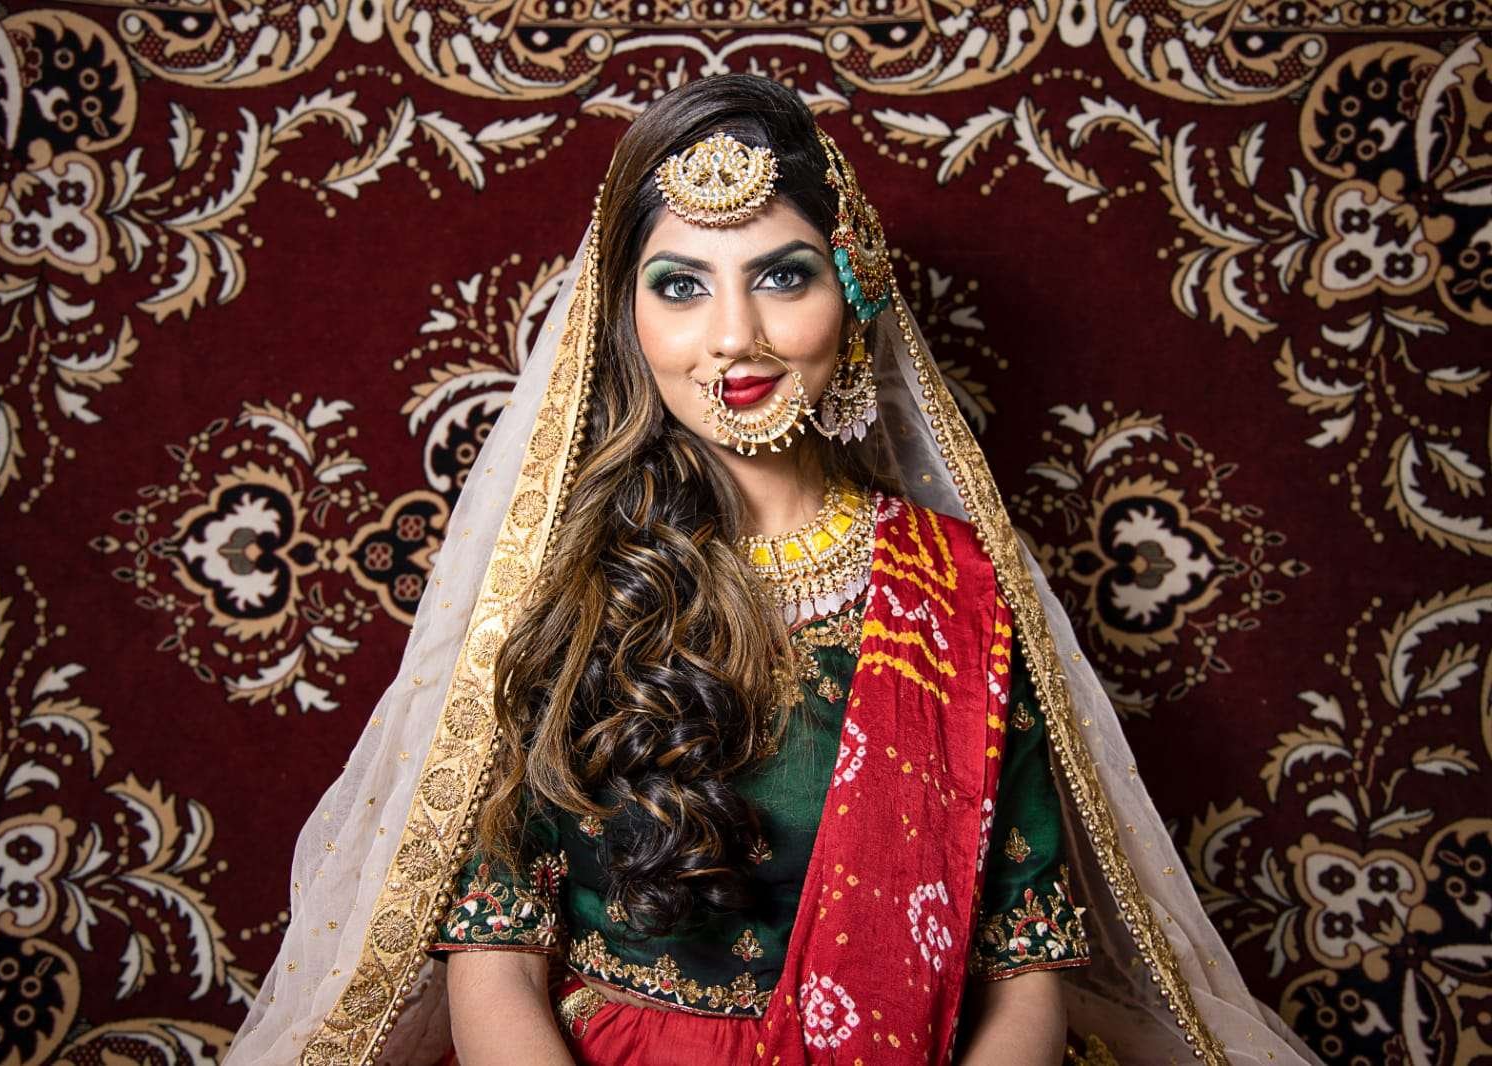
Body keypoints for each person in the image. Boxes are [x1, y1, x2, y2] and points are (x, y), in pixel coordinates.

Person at [223, 76, 1319, 1066]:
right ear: (624, 318)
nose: (733, 336)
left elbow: (1025, 966)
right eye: (680, 286)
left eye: (782, 277)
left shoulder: (959, 586)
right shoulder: (563, 587)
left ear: (855, 297)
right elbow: (495, 957)